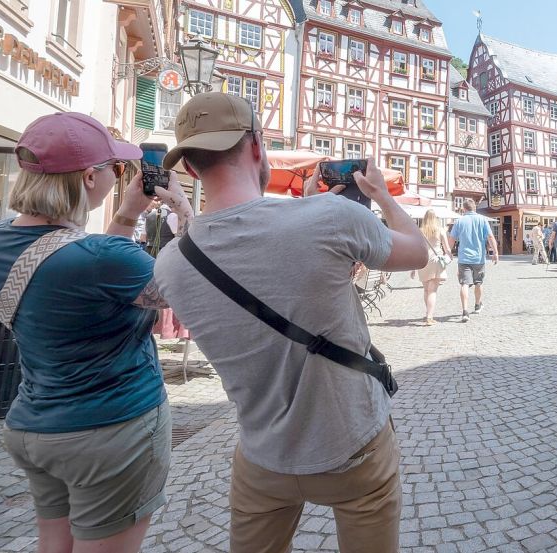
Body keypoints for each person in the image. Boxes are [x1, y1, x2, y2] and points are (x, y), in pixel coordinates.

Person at [152, 92, 428, 553]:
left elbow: (238, 245)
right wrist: (378, 194)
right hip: (354, 445)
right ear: (257, 146)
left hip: (264, 458)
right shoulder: (334, 216)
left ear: (193, 168)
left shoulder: (171, 265)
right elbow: (416, 252)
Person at [0, 112, 193, 552]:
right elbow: (185, 289)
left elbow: (92, 275)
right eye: (115, 169)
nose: (120, 178)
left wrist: (127, 215)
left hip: (37, 427)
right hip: (110, 431)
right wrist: (185, 212)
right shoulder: (102, 257)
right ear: (89, 177)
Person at [450, 199, 499, 323]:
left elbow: (452, 239)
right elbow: (490, 237)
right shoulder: (482, 220)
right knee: (478, 282)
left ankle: (465, 312)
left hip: (463, 258)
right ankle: (477, 305)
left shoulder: (459, 221)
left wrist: (448, 252)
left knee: (464, 284)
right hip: (478, 258)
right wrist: (495, 253)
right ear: (474, 208)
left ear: (464, 209)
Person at [417, 210, 450, 325]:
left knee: (426, 290)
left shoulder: (420, 231)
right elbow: (447, 249)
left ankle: (428, 314)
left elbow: (416, 248)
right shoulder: (440, 230)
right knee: (432, 291)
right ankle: (429, 317)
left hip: (423, 261)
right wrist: (449, 257)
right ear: (435, 218)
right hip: (435, 261)